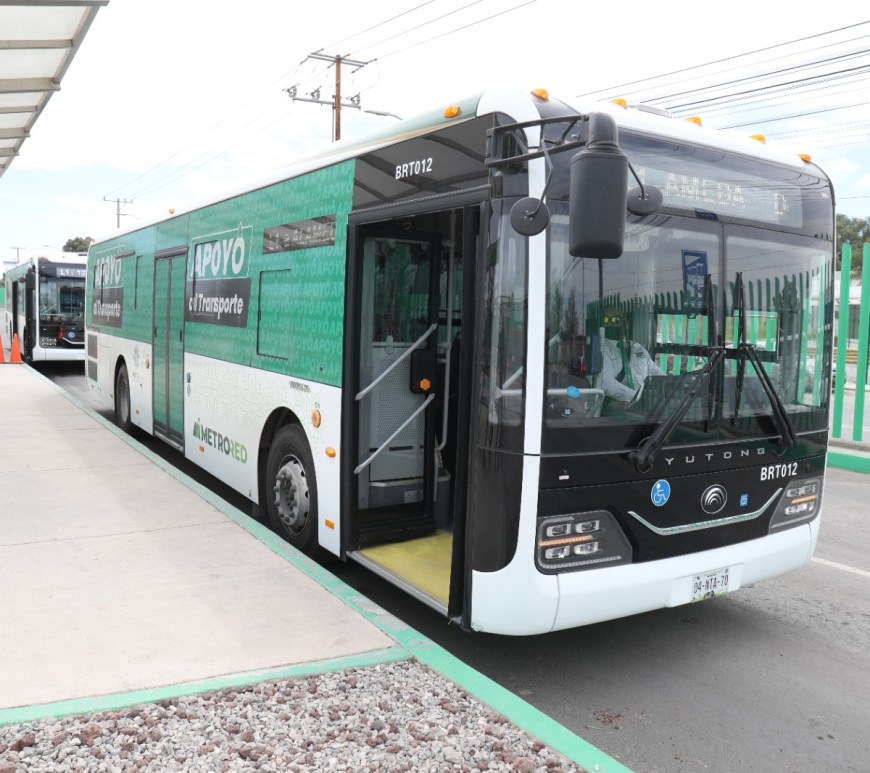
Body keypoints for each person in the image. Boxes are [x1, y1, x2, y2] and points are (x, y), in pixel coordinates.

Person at [599, 306, 661, 404]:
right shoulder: (601, 349)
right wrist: (637, 397)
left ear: (625, 323)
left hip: (642, 406)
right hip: (616, 407)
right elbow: (606, 384)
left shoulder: (637, 348)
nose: (610, 323)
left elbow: (657, 374)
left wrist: (672, 386)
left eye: (615, 319)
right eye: (606, 320)